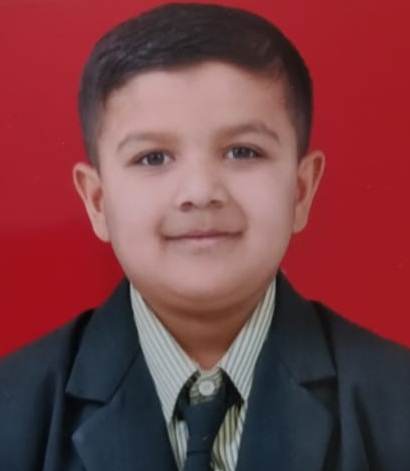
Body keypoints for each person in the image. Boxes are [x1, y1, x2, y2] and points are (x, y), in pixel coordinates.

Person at [0, 3, 409, 470]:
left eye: (243, 151)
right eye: (153, 158)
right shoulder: (13, 415)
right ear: (97, 200)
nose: (200, 192)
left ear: (300, 190)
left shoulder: (397, 403)